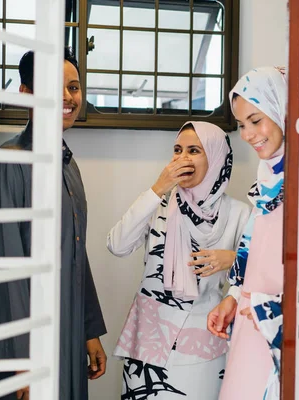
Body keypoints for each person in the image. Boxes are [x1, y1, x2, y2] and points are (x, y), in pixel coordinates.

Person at [0, 48, 107, 400]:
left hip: (69, 328)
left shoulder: (68, 165)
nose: (67, 97)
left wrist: (89, 330)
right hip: (29, 339)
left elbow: (76, 253)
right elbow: (6, 265)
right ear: (26, 94)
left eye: (73, 87)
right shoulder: (11, 163)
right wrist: (20, 357)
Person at [107, 121, 250, 399]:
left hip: (203, 344)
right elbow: (117, 245)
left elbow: (260, 273)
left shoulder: (239, 214)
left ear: (216, 157)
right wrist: (157, 188)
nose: (182, 157)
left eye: (194, 150)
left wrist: (233, 259)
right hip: (147, 343)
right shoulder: (157, 205)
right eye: (177, 149)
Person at [207, 67, 287, 400]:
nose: (249, 134)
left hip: (279, 330)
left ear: (282, 109)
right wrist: (233, 296)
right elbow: (250, 248)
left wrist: (268, 310)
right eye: (242, 125)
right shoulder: (267, 178)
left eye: (256, 120)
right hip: (250, 325)